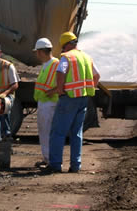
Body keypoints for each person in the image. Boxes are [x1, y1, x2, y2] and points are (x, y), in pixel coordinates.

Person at [46, 32, 100, 174]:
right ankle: (75, 166)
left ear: (67, 45)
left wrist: (59, 89)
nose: (63, 50)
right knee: (76, 132)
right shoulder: (86, 57)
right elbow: (97, 75)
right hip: (83, 99)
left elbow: (61, 72)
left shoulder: (66, 58)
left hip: (69, 98)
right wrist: (89, 89)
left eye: (63, 47)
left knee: (58, 132)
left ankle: (55, 165)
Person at [32, 38, 59, 167]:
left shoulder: (55, 64)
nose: (37, 55)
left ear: (41, 51)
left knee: (47, 132)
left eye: (37, 52)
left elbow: (61, 83)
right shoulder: (47, 64)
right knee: (44, 131)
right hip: (44, 102)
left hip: (50, 102)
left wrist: (50, 93)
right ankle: (47, 158)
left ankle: (50, 159)